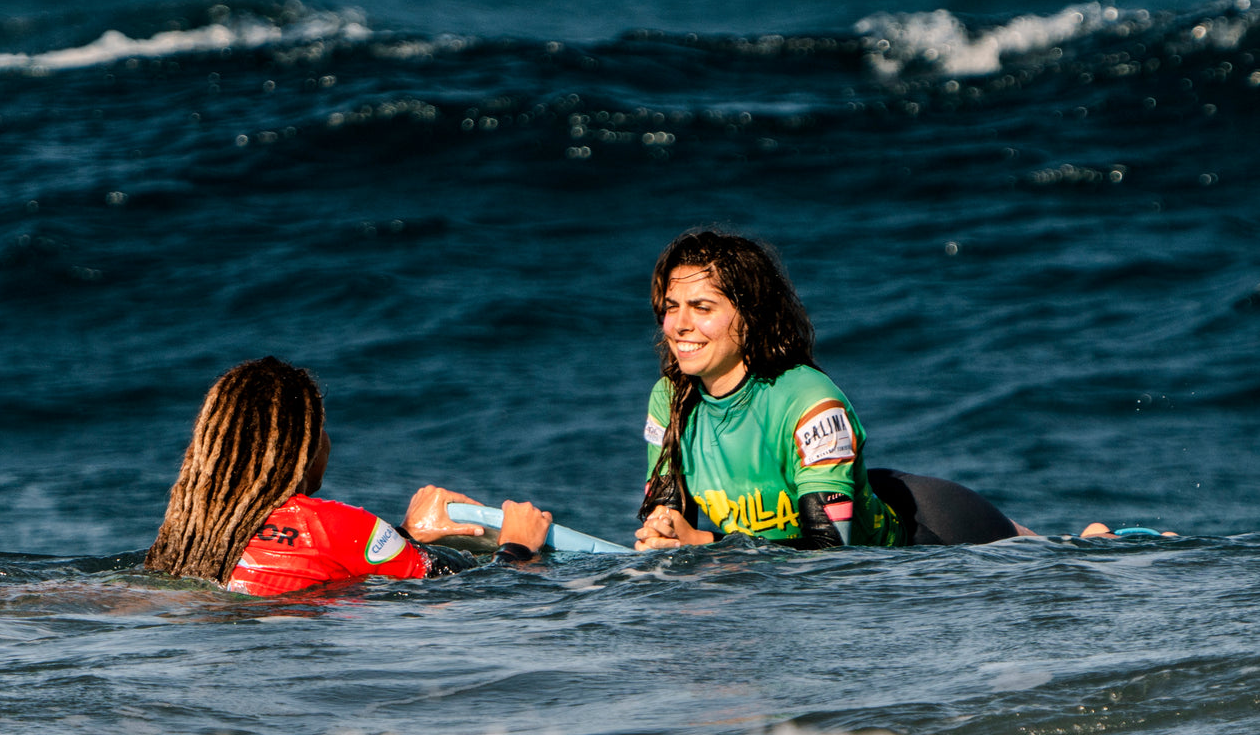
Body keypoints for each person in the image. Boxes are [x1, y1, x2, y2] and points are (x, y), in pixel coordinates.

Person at [635, 230, 1030, 551]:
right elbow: (670, 524)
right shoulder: (671, 400)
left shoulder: (809, 402)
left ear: (751, 316)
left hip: (926, 536)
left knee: (1047, 558)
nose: (678, 325)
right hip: (824, 522)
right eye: (671, 307)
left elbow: (829, 551)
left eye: (702, 308)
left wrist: (706, 543)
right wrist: (664, 537)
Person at [146, 357, 552, 595]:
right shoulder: (335, 525)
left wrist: (405, 535)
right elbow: (473, 590)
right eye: (320, 426)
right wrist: (517, 547)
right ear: (305, 446)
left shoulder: (186, 537)